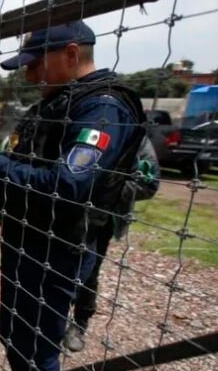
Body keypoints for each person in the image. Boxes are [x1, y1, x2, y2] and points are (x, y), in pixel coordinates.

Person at [0, 21, 146, 371]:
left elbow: (69, 185)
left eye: (35, 64)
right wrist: (0, 163)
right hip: (30, 238)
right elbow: (35, 158)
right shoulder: (62, 102)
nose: (28, 75)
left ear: (72, 54)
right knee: (15, 329)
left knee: (39, 339)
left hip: (59, 246)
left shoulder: (102, 109)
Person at [64, 138, 160, 352]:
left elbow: (149, 184)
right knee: (57, 267)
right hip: (65, 214)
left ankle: (80, 323)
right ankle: (52, 319)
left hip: (101, 220)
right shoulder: (83, 126)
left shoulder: (138, 139)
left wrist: (103, 190)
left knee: (88, 272)